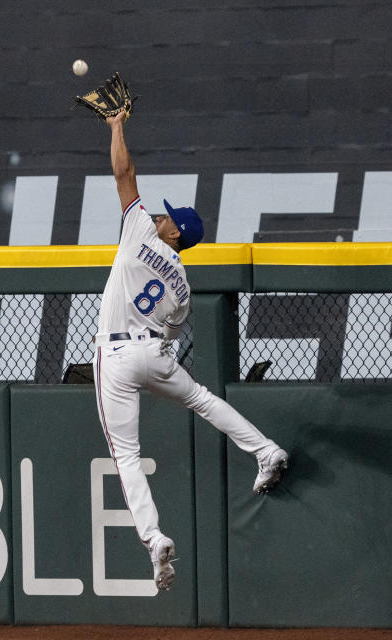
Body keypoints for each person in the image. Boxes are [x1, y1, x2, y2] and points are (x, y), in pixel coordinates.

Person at [92, 108, 289, 592]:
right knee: (201, 399)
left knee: (127, 455)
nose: (159, 215)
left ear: (175, 231)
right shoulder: (182, 282)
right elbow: (173, 328)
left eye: (167, 216)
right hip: (156, 354)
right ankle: (265, 450)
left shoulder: (138, 229)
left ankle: (154, 537)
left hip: (116, 356)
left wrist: (117, 127)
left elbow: (123, 172)